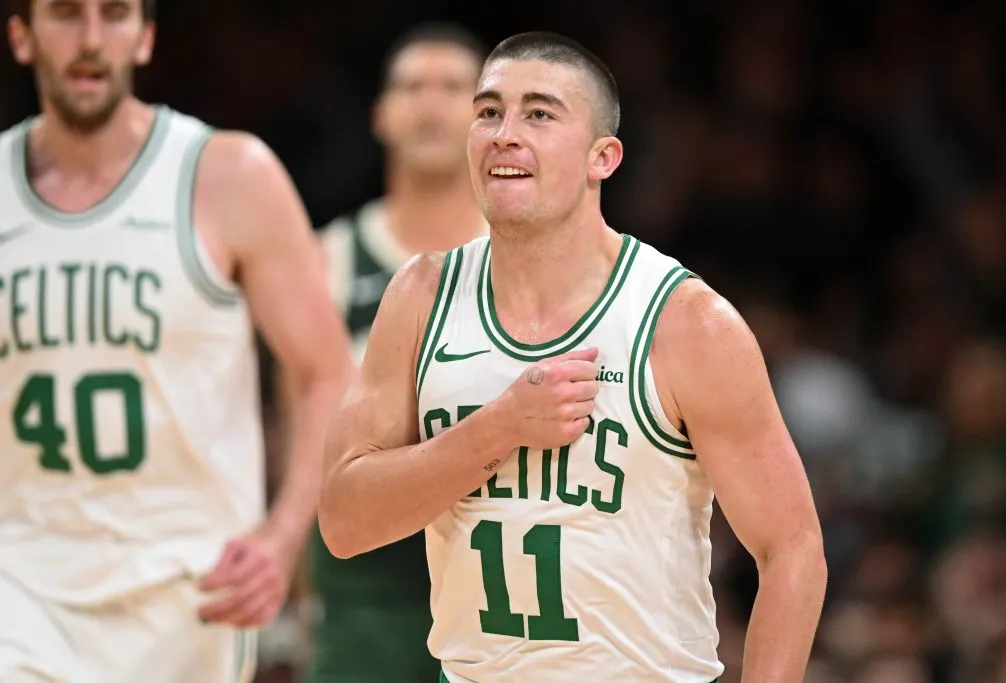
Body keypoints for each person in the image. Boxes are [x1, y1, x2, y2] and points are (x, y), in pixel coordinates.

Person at [319, 30, 827, 683]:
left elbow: (793, 548)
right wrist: (501, 426)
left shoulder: (685, 322)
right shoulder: (421, 295)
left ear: (603, 158)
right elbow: (343, 520)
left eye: (538, 113)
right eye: (488, 111)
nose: (503, 132)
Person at [0, 1, 350, 681]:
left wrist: (282, 540)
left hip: (190, 592)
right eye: (67, 14)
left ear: (146, 37)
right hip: (23, 589)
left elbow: (327, 373)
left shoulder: (229, 174)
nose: (92, 40)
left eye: (116, 14)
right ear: (21, 36)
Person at [302, 22, 489, 683]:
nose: (433, 103)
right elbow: (300, 425)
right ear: (381, 115)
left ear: (488, 116)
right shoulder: (326, 257)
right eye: (413, 86)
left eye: (454, 89)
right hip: (366, 579)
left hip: (497, 565)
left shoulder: (527, 258)